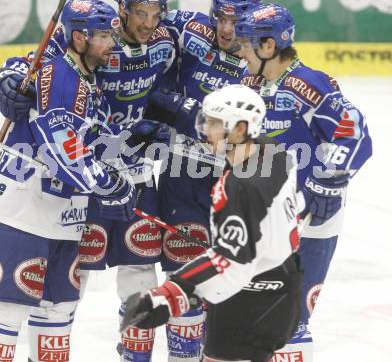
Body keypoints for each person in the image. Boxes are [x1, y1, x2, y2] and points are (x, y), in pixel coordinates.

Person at [0, 0, 137, 362]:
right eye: (104, 37)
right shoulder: (62, 79)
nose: (112, 44)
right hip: (25, 211)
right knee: (8, 311)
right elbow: (66, 156)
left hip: (66, 213)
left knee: (57, 312)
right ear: (79, 38)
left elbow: (19, 65)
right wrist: (111, 184)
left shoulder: (80, 71)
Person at [230, 3, 373, 361]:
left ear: (268, 47)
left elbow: (355, 134)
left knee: (290, 319)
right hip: (265, 220)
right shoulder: (249, 83)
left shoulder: (306, 84)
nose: (239, 50)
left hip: (309, 221)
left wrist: (326, 182)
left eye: (246, 43)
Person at [121, 84, 304, 362]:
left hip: (251, 301)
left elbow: (230, 264)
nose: (205, 129)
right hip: (279, 284)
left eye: (215, 123)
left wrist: (172, 293)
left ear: (241, 129)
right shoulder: (273, 152)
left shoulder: (241, 188)